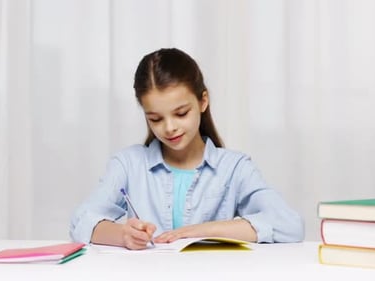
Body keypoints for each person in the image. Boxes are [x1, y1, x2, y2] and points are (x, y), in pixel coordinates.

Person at [69, 48, 304, 249]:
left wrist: (200, 231)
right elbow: (81, 222)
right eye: (155, 119)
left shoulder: (235, 168)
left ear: (203, 101)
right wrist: (123, 235)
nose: (169, 128)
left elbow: (290, 225)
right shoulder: (128, 164)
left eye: (181, 113)